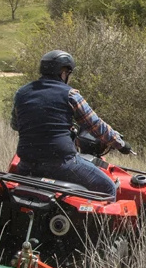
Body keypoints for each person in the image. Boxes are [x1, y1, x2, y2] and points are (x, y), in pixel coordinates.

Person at [10, 50, 132, 198]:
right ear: (63, 72)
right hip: (61, 164)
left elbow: (16, 124)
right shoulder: (70, 94)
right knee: (108, 188)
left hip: (26, 164)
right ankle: (99, 222)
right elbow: (96, 126)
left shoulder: (21, 93)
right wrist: (121, 144)